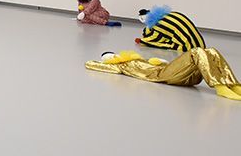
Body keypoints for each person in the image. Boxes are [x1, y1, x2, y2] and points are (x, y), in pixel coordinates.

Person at [86, 49, 241, 100]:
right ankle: (220, 86)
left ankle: (232, 84)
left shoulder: (139, 59)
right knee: (197, 52)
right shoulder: (121, 66)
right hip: (163, 76)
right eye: (109, 57)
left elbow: (164, 63)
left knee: (211, 51)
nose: (113, 56)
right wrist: (98, 62)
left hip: (180, 74)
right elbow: (91, 64)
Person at [136, 6, 205, 52]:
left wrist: (142, 41)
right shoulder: (167, 14)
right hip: (199, 42)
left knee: (165, 43)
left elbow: (154, 38)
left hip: (190, 47)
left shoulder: (158, 26)